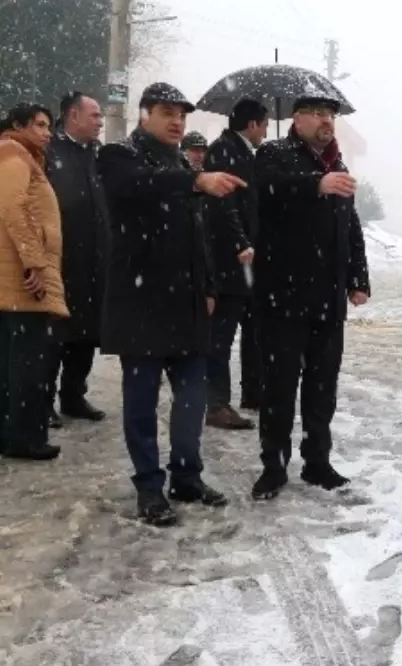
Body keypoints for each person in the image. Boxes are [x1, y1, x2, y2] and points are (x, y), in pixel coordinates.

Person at [98, 82, 246, 525]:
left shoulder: (180, 163)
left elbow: (197, 236)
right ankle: (149, 486)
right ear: (144, 115)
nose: (177, 120)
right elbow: (138, 185)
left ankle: (187, 476)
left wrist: (209, 287)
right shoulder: (119, 156)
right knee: (142, 403)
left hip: (187, 304)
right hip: (141, 302)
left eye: (182, 113)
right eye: (166, 112)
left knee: (191, 399)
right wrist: (196, 179)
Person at [252, 96, 370, 500]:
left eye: (331, 115)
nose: (327, 122)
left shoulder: (338, 166)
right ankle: (273, 463)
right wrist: (313, 185)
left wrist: (358, 278)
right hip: (283, 296)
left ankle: (317, 461)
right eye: (318, 114)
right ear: (296, 119)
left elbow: (350, 228)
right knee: (280, 386)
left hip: (327, 299)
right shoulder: (274, 155)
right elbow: (266, 190)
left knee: (323, 388)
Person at [0, 103, 70, 460]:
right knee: (28, 364)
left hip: (11, 279)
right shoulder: (14, 155)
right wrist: (35, 262)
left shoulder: (17, 155)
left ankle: (11, 433)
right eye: (40, 125)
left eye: (49, 126)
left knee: (12, 362)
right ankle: (25, 438)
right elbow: (12, 207)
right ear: (17, 125)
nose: (47, 132)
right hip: (23, 281)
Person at [202, 98, 270, 431]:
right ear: (253, 124)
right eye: (265, 125)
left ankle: (253, 392)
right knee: (221, 334)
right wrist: (240, 240)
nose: (266, 132)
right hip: (229, 259)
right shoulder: (223, 151)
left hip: (246, 258)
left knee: (252, 327)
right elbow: (223, 203)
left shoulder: (243, 153)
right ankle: (215, 403)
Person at [43, 91, 109, 427]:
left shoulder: (98, 154)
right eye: (95, 115)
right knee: (54, 334)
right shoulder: (48, 151)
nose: (100, 122)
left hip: (95, 259)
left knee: (86, 333)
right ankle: (42, 401)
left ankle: (73, 395)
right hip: (59, 258)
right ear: (73, 115)